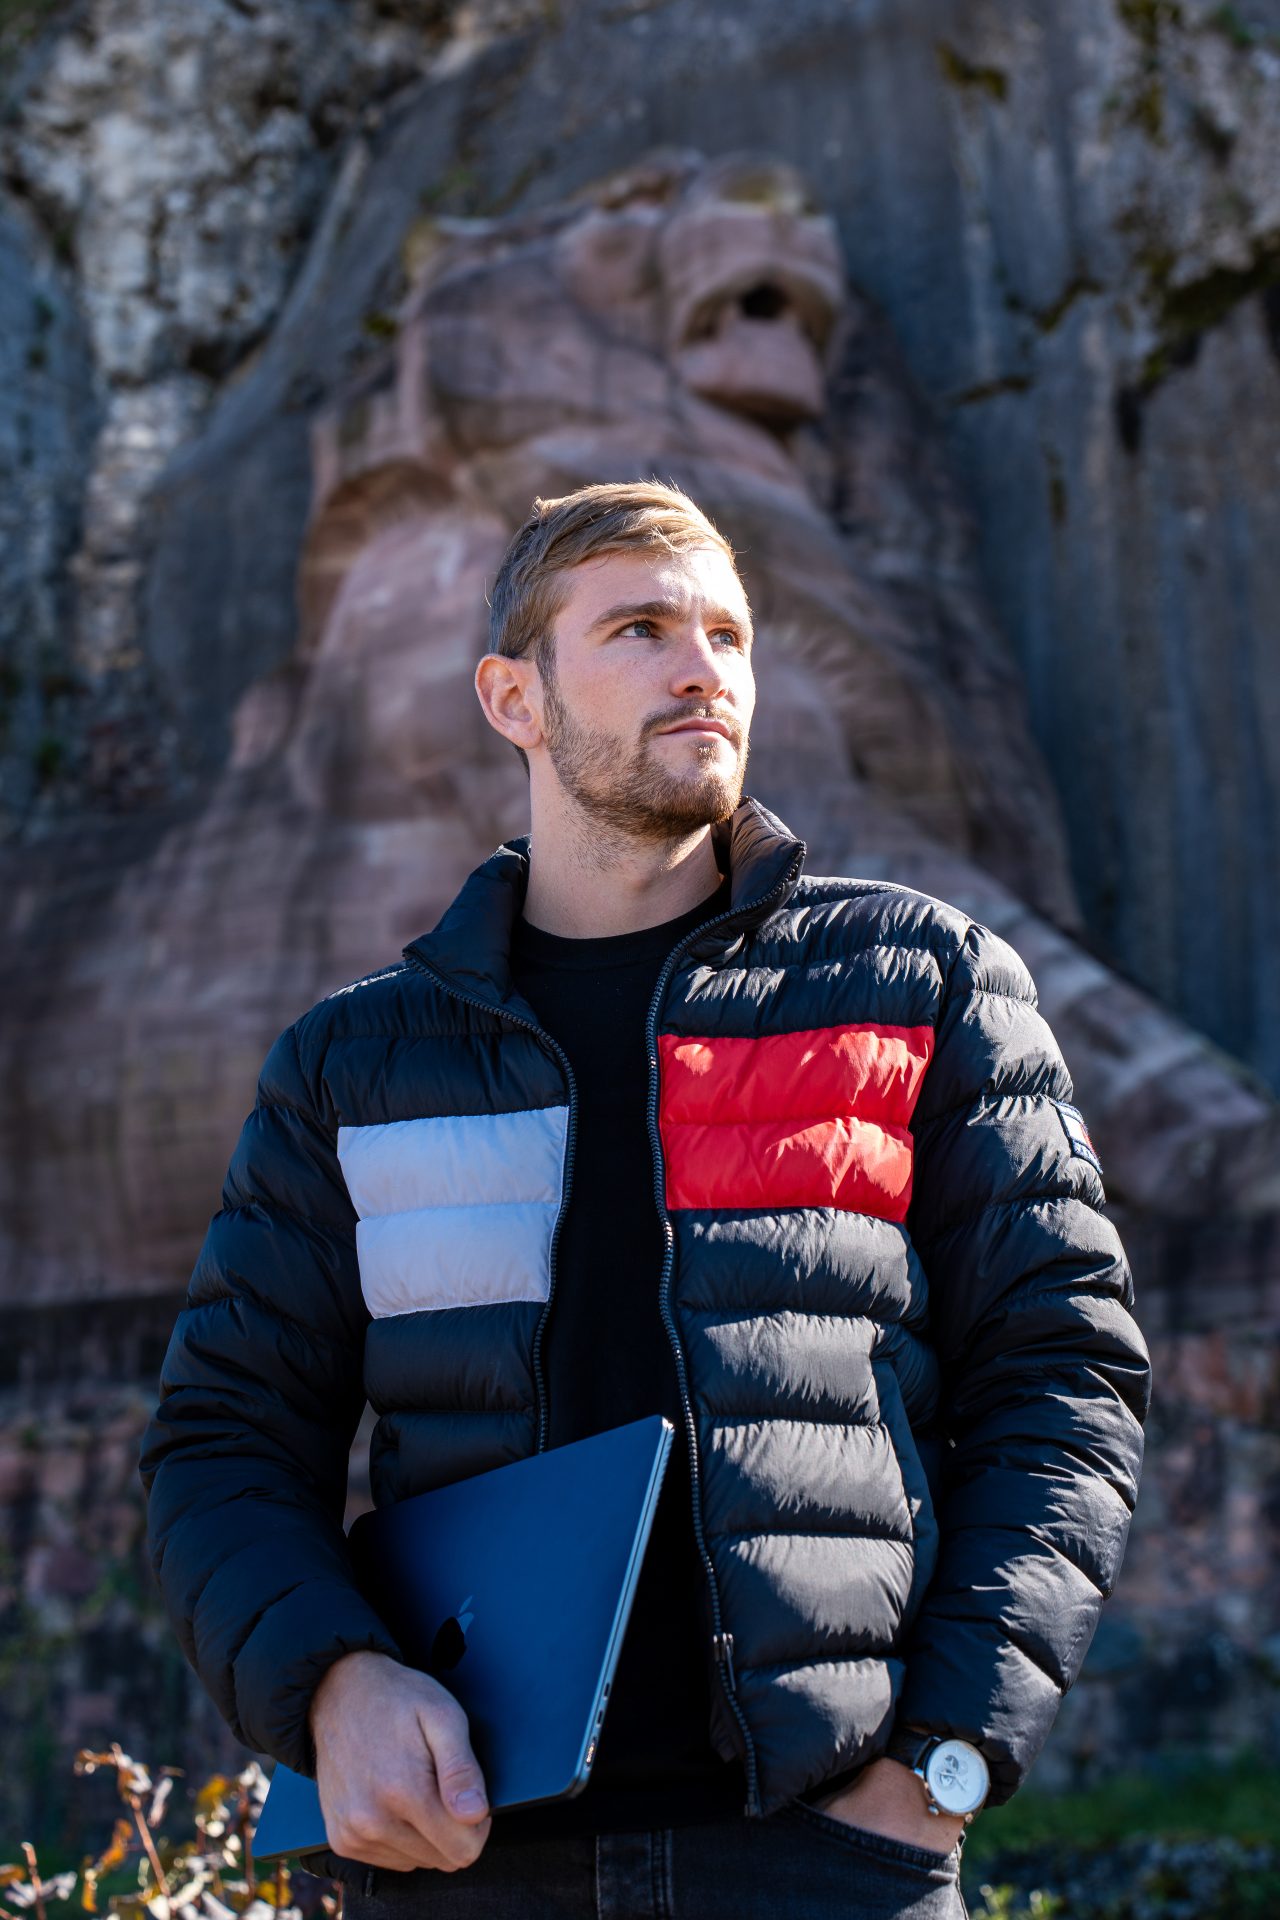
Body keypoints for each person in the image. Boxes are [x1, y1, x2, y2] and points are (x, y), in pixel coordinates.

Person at [139, 480, 1151, 1919]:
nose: (705, 668)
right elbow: (221, 1442)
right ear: (515, 698)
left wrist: (948, 1756)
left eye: (728, 633)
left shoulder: (919, 984)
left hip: (830, 1854)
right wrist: (331, 1684)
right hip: (463, 1861)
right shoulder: (355, 1063)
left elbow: (1067, 1377)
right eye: (638, 627)